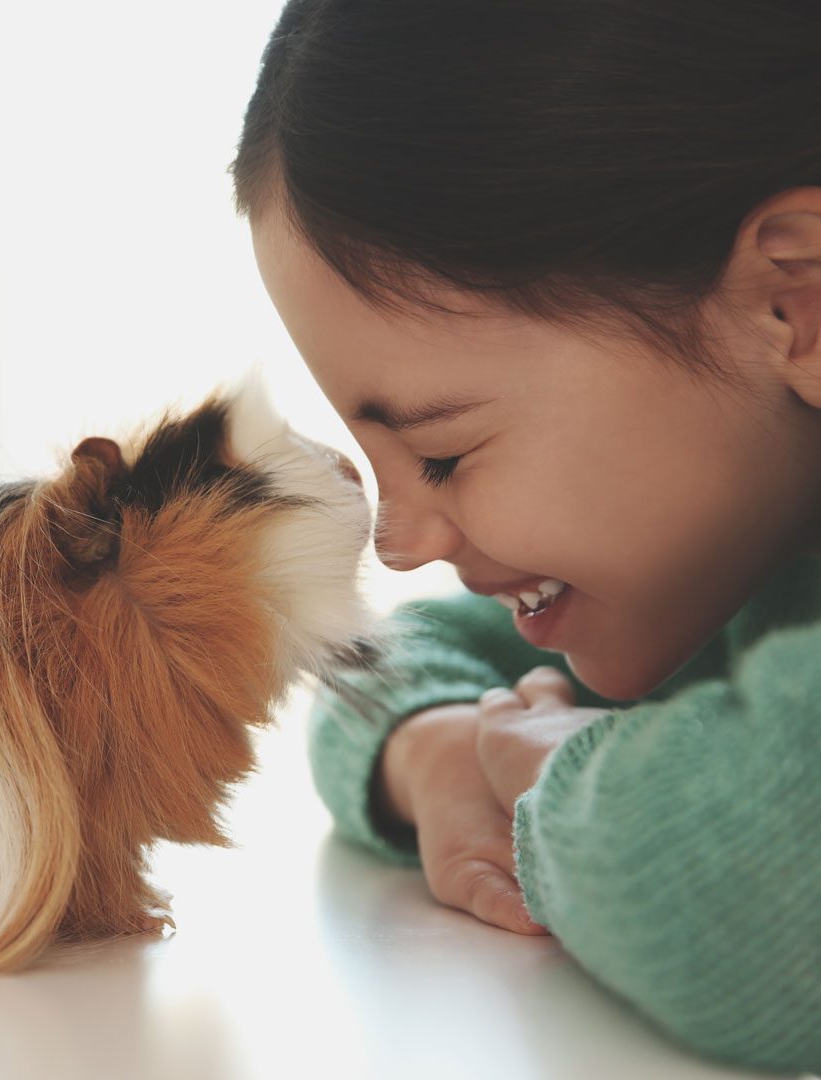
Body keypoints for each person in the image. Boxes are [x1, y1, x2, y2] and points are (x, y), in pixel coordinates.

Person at [230, 1, 821, 1073]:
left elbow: (761, 887)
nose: (399, 545)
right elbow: (389, 660)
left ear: (794, 302)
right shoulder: (724, 559)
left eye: (444, 456)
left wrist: (547, 769)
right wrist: (437, 745)